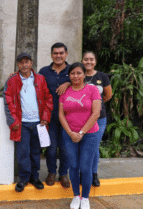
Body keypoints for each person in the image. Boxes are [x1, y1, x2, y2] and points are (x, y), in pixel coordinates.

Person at [4, 53, 53, 192]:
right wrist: (13, 120)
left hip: (38, 123)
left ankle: (34, 177)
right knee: (23, 152)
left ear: (31, 63)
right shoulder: (12, 80)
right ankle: (24, 179)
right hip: (22, 123)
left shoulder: (40, 79)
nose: (24, 65)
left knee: (36, 152)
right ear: (18, 65)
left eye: (27, 62)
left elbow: (48, 98)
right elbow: (8, 101)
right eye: (21, 62)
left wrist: (45, 116)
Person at [59, 63, 101, 209]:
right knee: (74, 165)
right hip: (69, 135)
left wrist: (81, 132)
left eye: (79, 73)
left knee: (85, 167)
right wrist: (71, 133)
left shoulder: (92, 89)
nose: (75, 76)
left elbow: (96, 113)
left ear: (84, 74)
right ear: (69, 75)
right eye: (72, 73)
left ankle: (85, 198)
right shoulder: (65, 90)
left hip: (89, 135)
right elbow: (61, 114)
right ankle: (76, 196)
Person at [38, 42, 71, 188]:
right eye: (55, 53)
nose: (58, 56)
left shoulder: (72, 70)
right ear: (51, 55)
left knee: (65, 148)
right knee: (50, 148)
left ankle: (63, 174)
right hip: (49, 117)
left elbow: (82, 81)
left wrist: (68, 83)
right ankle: (51, 172)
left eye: (61, 53)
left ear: (66, 54)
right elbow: (35, 84)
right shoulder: (44, 71)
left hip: (68, 118)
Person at [82, 51, 112, 187]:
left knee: (94, 147)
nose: (88, 62)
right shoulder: (79, 76)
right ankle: (83, 172)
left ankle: (93, 173)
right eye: (86, 59)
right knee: (82, 146)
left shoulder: (102, 76)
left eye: (91, 59)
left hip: (99, 118)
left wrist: (96, 105)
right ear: (82, 61)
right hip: (81, 119)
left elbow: (108, 95)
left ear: (95, 61)